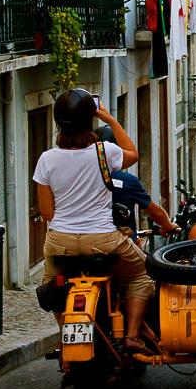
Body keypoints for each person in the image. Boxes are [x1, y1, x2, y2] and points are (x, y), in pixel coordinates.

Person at [33, 88, 152, 354]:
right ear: (89, 121)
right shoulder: (104, 152)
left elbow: (48, 212)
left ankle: (66, 334)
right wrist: (109, 119)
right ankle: (132, 335)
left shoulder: (46, 159)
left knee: (51, 287)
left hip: (60, 242)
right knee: (143, 275)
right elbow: (132, 153)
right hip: (103, 240)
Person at [95, 125, 178, 240]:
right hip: (121, 242)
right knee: (142, 258)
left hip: (86, 240)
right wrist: (167, 225)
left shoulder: (84, 178)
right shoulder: (128, 181)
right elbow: (154, 211)